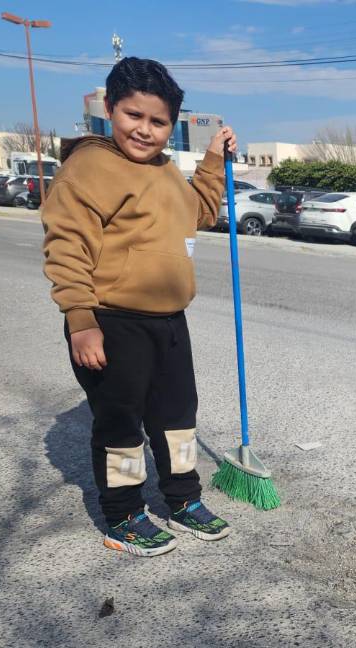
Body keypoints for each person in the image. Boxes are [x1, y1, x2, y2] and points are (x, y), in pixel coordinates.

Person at [42, 57, 235, 557]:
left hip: (169, 321)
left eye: (158, 122)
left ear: (173, 125)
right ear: (110, 109)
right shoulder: (90, 166)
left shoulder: (167, 172)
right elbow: (67, 246)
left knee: (177, 415)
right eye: (133, 116)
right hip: (110, 319)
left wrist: (213, 159)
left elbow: (203, 211)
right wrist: (80, 321)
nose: (145, 131)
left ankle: (183, 499)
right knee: (121, 423)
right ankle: (123, 513)